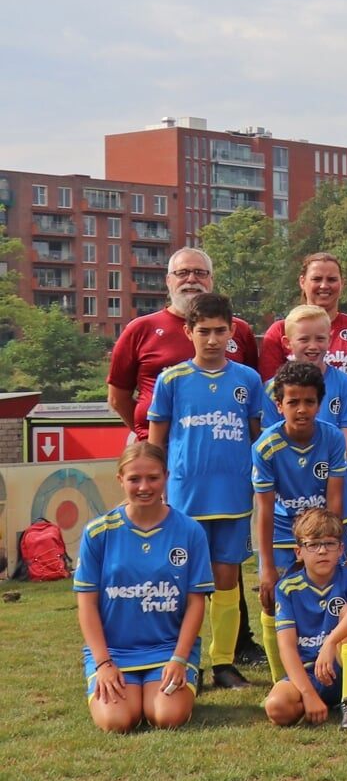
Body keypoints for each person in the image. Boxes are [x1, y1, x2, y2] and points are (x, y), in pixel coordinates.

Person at [146, 292, 265, 690]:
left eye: (220, 331)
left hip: (232, 496)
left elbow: (256, 439)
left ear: (232, 331)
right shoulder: (172, 379)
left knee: (227, 581)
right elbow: (156, 442)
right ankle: (183, 660)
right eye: (204, 332)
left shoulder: (248, 379)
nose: (212, 339)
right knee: (182, 582)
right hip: (186, 498)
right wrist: (157, 488)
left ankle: (224, 664)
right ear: (188, 332)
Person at [74, 442, 210, 733]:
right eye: (134, 479)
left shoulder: (190, 531)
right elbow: (86, 604)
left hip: (168, 650)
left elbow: (197, 603)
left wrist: (179, 658)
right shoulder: (98, 533)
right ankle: (129, 689)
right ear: (120, 480)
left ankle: (165, 685)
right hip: (115, 652)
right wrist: (104, 664)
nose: (144, 487)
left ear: (166, 476)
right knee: (118, 721)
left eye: (153, 478)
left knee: (166, 717)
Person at [250, 361, 347, 682]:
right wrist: (266, 566)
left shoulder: (332, 438)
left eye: (309, 402)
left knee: (336, 597)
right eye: (293, 402)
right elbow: (264, 510)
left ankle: (335, 670)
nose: (302, 409)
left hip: (323, 529)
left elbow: (334, 500)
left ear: (319, 403)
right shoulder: (266, 446)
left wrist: (331, 545)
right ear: (279, 405)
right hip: (282, 531)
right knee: (272, 601)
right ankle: (284, 679)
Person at [107, 246, 260, 441]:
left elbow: (252, 390)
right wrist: (146, 433)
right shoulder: (139, 329)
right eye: (182, 273)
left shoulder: (239, 330)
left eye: (200, 273)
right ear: (168, 281)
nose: (191, 279)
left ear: (211, 280)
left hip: (226, 447)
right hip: (160, 452)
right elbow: (117, 398)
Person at [262, 306, 347, 558]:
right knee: (289, 581)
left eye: (320, 338)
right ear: (287, 342)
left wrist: (319, 457)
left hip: (336, 492)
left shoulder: (344, 383)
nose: (313, 345)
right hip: (289, 503)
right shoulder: (272, 389)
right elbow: (271, 446)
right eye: (304, 339)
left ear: (330, 339)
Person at [263, 510, 347, 727]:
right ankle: (316, 701)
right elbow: (286, 647)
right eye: (313, 545)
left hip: (340, 666)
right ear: (299, 552)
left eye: (330, 544)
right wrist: (308, 693)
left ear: (341, 550)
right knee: (277, 707)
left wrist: (330, 642)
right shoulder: (287, 588)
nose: (322, 551)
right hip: (307, 672)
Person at [257, 251, 347, 381]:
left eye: (331, 279)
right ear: (302, 282)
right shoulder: (280, 330)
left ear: (342, 283)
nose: (324, 286)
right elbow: (270, 387)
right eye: (317, 279)